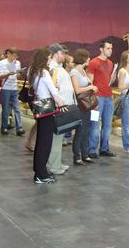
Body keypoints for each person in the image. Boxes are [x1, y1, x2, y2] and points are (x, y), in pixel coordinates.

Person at [28, 47, 64, 183]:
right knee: (45, 143)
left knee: (40, 142)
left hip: (40, 109)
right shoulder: (44, 72)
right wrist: (62, 104)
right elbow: (54, 92)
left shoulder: (34, 71)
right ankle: (41, 174)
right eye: (49, 58)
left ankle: (39, 171)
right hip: (47, 111)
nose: (50, 60)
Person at [87, 39, 117, 158]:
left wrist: (112, 79)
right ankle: (91, 150)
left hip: (109, 97)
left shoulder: (110, 63)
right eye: (108, 48)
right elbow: (90, 82)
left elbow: (108, 81)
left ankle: (104, 149)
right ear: (101, 49)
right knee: (95, 124)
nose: (110, 50)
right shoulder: (93, 62)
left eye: (111, 48)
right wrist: (93, 99)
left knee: (108, 125)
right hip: (97, 98)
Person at [47, 43, 72, 175]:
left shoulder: (59, 67)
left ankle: (56, 163)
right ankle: (53, 166)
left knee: (59, 137)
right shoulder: (52, 68)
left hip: (63, 106)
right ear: (56, 54)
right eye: (62, 53)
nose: (65, 55)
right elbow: (53, 89)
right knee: (56, 138)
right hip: (58, 107)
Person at [70, 49, 97, 165]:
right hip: (80, 105)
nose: (89, 59)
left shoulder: (83, 71)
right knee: (80, 131)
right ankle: (77, 157)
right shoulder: (74, 72)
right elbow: (77, 90)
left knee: (86, 130)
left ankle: (85, 155)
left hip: (87, 105)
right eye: (87, 57)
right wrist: (90, 87)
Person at [0, 48, 25, 136]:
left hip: (14, 88)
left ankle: (19, 128)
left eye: (16, 56)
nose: (15, 57)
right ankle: (4, 127)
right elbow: (0, 77)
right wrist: (9, 73)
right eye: (13, 55)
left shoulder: (17, 63)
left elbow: (18, 76)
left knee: (17, 108)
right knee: (6, 109)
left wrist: (19, 72)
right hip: (5, 88)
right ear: (8, 54)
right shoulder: (2, 63)